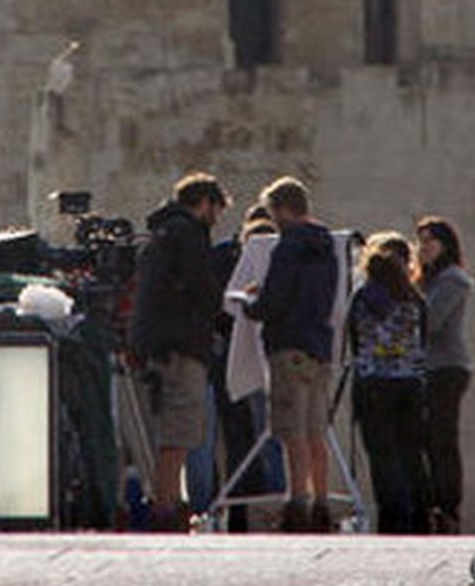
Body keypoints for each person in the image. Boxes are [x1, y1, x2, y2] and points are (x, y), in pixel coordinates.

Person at [128, 171, 229, 531]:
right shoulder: (188, 234)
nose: (216, 219)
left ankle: (165, 499)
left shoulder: (161, 234)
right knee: (180, 430)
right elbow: (205, 291)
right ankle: (166, 506)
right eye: (215, 209)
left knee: (168, 430)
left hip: (156, 345)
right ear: (203, 202)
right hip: (181, 345)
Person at [242, 176, 338, 533]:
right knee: (316, 433)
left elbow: (275, 301)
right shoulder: (326, 246)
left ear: (282, 210)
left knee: (291, 431)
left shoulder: (288, 246)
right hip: (319, 347)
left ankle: (297, 504)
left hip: (289, 345)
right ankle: (322, 504)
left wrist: (251, 302)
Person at [187, 208, 278, 531]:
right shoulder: (226, 257)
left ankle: (251, 511)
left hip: (241, 356)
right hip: (239, 354)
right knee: (249, 437)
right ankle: (256, 512)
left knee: (251, 438)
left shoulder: (225, 257)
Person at [347, 232, 428, 534]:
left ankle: (393, 515)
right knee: (411, 451)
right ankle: (419, 514)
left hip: (374, 383)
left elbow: (354, 339)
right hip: (411, 381)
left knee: (382, 453)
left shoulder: (364, 297)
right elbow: (425, 339)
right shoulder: (414, 298)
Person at [416, 216, 473, 534]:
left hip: (447, 367)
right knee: (426, 440)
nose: (423, 248)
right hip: (427, 368)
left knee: (443, 439)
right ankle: (431, 503)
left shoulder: (452, 280)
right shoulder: (425, 279)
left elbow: (431, 320)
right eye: (420, 241)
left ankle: (449, 507)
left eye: (430, 241)